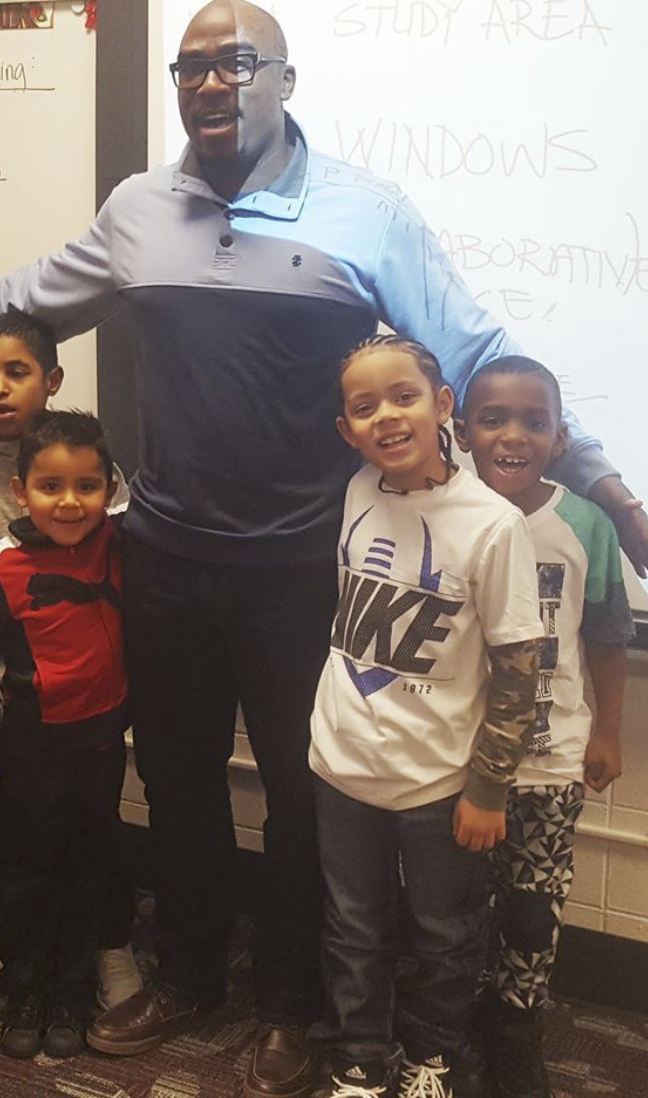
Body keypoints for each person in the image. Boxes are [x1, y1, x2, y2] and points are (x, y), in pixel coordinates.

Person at [0, 2, 648, 1092]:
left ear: (283, 79)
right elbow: (36, 290)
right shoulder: (141, 206)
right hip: (169, 561)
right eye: (190, 68)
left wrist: (607, 485)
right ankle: (187, 970)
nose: (209, 84)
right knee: (178, 784)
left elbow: (479, 354)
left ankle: (289, 1003)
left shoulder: (367, 215)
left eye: (235, 63)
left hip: (301, 572)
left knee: (299, 798)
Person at [309, 335, 542, 1098]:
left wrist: (489, 788)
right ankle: (359, 1055)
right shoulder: (356, 490)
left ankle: (431, 1055)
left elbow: (516, 668)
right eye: (363, 406)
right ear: (347, 430)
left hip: (441, 783)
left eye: (404, 396)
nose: (386, 417)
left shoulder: (493, 523)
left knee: (446, 934)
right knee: (353, 925)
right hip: (342, 764)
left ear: (443, 407)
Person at [0, 308, 139, 1007]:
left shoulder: (93, 474)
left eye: (15, 373)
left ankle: (101, 948)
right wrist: (2, 595)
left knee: (93, 840)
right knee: (17, 839)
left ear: (49, 380)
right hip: (10, 679)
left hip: (93, 707)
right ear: (24, 491)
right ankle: (18, 947)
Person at [455, 357, 634, 1098]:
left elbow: (609, 635)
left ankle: (515, 1034)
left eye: (535, 421)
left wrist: (609, 734)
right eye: (493, 418)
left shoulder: (585, 523)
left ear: (561, 439)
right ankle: (448, 1024)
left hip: (551, 760)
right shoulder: (446, 510)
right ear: (463, 432)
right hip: (456, 762)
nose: (513, 434)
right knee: (456, 906)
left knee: (532, 910)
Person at [0, 410, 128, 1060]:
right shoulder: (5, 564)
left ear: (109, 487)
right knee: (28, 874)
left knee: (89, 869)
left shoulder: (118, 543)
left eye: (87, 485)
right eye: (51, 486)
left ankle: (71, 990)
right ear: (21, 490)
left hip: (101, 748)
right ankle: (25, 986)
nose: (70, 501)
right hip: (30, 753)